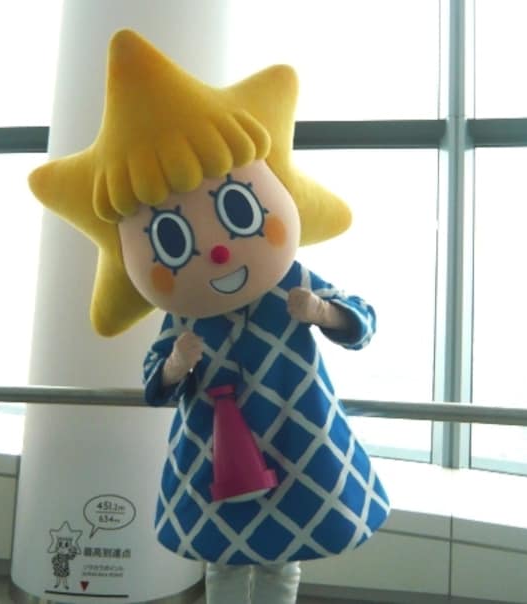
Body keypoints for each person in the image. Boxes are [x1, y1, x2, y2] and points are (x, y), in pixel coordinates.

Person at [28, 28, 389, 604]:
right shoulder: (186, 313)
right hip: (214, 446)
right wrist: (175, 365)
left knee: (281, 564)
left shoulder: (293, 280)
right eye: (171, 237)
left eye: (239, 208)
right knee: (221, 563)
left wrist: (324, 312)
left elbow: (363, 322)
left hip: (293, 433)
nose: (218, 251)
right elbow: (156, 383)